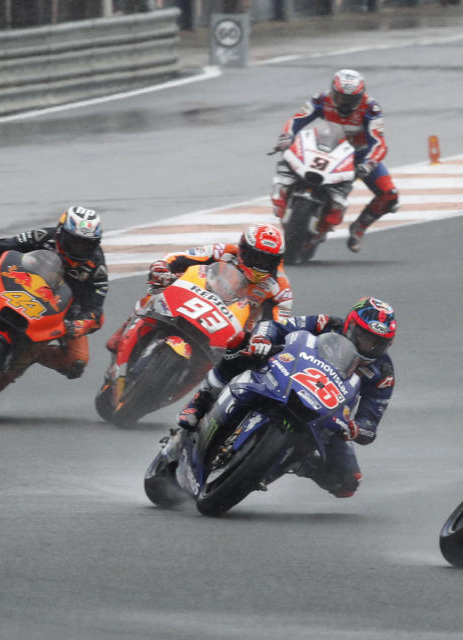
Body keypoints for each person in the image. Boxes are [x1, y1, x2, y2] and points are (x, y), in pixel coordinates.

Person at [172, 296, 397, 498]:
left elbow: (370, 422)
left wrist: (356, 428)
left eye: (378, 342)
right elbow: (278, 326)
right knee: (241, 344)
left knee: (347, 483)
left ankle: (298, 462)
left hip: (326, 412)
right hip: (286, 375)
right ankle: (200, 403)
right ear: (350, 326)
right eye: (365, 336)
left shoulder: (383, 372)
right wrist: (262, 340)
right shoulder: (327, 324)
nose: (370, 346)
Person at [0, 206, 107, 379]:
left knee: (76, 362)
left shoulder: (97, 267)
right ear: (61, 232)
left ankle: (29, 356)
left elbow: (96, 309)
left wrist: (80, 324)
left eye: (86, 244)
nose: (79, 248)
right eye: (74, 241)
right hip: (21, 283)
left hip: (60, 310)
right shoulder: (44, 236)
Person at [104, 223, 292, 352]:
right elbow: (182, 257)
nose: (260, 265)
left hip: (232, 331)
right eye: (256, 257)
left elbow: (276, 324)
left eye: (268, 261)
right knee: (159, 288)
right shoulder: (224, 252)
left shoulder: (280, 289)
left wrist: (262, 340)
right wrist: (163, 266)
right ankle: (126, 328)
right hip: (198, 300)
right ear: (242, 249)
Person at [271, 69, 398, 252]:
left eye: (351, 100)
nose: (345, 104)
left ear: (361, 96)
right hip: (325, 148)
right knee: (290, 163)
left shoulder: (371, 109)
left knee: (390, 195)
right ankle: (283, 198)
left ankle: (358, 228)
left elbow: (379, 143)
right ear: (333, 92)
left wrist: (369, 163)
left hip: (358, 158)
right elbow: (297, 119)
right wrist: (286, 136)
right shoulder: (320, 99)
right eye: (341, 98)